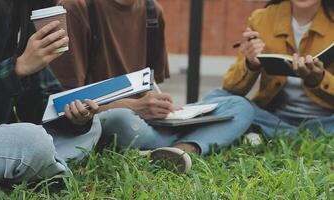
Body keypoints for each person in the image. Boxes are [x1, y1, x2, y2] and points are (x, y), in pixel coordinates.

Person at [52, 0, 255, 172]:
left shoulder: (152, 11)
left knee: (240, 106)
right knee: (119, 119)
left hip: (149, 124)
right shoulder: (77, 8)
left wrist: (159, 104)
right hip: (108, 121)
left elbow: (148, 85)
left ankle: (181, 150)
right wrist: (133, 106)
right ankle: (183, 143)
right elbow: (63, 104)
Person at [0, 0, 101, 185]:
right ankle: (43, 171)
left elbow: (37, 103)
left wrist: (74, 116)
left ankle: (34, 168)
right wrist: (17, 69)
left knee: (92, 127)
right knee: (32, 141)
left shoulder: (26, 12)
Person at [215, 0, 334, 139]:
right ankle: (293, 135)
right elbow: (231, 88)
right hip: (273, 118)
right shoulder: (262, 18)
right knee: (219, 97)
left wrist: (319, 80)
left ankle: (278, 135)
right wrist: (251, 64)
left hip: (326, 120)